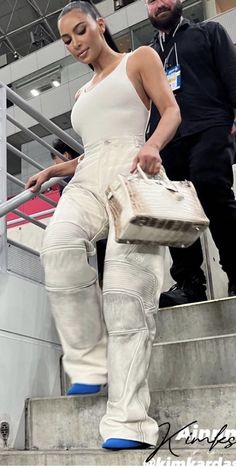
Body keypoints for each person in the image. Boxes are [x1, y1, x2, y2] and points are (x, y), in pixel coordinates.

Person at [25, 0, 180, 450]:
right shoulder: (81, 93)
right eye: (66, 39)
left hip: (134, 171)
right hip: (89, 175)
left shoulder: (139, 59)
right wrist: (58, 169)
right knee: (57, 246)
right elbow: (94, 148)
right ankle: (90, 364)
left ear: (100, 24)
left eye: (80, 31)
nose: (74, 44)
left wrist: (152, 145)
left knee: (124, 296)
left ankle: (129, 423)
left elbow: (170, 110)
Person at [146, 0, 236, 308]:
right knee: (175, 212)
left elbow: (232, 74)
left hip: (209, 125)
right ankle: (189, 283)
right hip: (168, 140)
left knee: (212, 189)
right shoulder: (148, 54)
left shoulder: (208, 32)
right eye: (151, 1)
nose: (159, 4)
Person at [51, 137, 107, 284]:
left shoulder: (69, 181)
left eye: (55, 159)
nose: (54, 164)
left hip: (89, 232)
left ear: (66, 155)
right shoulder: (91, 170)